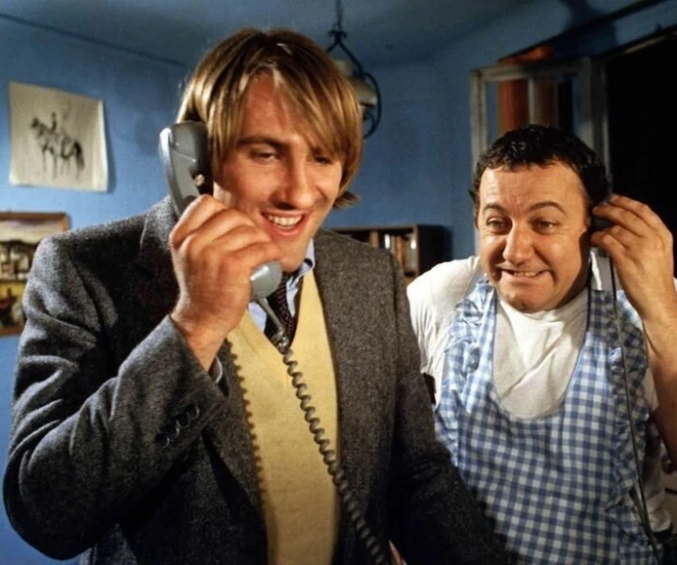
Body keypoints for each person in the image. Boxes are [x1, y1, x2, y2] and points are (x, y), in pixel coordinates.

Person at [3, 28, 507, 565]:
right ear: (196, 156)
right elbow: (47, 514)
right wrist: (193, 326)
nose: (299, 192)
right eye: (266, 153)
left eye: (322, 158)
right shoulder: (84, 270)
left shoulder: (372, 275)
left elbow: (417, 473)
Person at [407, 124, 677, 563]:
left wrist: (658, 303)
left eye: (544, 223)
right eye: (497, 223)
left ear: (594, 226)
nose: (515, 250)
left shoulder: (650, 299)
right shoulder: (444, 294)